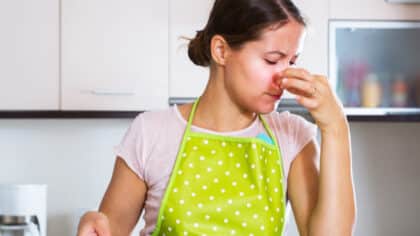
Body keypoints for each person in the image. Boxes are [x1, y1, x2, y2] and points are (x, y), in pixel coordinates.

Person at [77, 0, 356, 235]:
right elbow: (106, 228)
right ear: (221, 50)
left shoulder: (292, 136)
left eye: (291, 62)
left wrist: (336, 126)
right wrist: (93, 222)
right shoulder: (151, 132)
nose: (283, 77)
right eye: (272, 60)